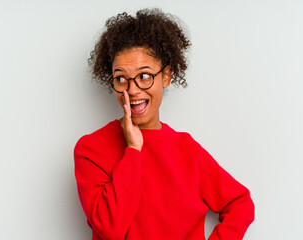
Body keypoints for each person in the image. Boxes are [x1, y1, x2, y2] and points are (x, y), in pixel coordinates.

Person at [74, 8, 254, 240]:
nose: (132, 89)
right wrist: (133, 150)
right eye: (121, 79)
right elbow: (110, 230)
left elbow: (240, 203)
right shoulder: (91, 150)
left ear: (166, 76)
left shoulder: (187, 150)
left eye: (144, 76)